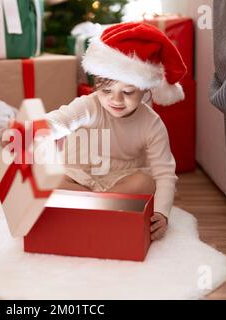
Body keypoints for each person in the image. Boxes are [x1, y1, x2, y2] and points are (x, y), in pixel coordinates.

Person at [44, 22, 187, 240]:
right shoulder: (88, 105)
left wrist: (162, 213)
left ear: (145, 90)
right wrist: (30, 132)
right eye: (107, 91)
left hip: (121, 181)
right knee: (47, 179)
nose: (116, 100)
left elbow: (165, 174)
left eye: (128, 92)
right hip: (80, 175)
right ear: (96, 86)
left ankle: (91, 207)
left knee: (146, 183)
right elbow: (60, 121)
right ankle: (103, 208)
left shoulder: (152, 124)